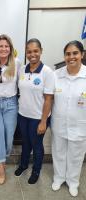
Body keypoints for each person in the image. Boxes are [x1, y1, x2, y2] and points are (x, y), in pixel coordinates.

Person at [15, 38, 54, 184]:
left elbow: (49, 99)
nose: (32, 54)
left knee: (36, 145)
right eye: (29, 51)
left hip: (38, 117)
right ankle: (23, 165)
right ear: (26, 53)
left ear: (41, 51)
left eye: (35, 51)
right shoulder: (21, 70)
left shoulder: (47, 72)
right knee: (25, 142)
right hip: (23, 115)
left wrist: (43, 121)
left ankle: (36, 170)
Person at [51, 41, 86, 197]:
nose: (71, 57)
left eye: (75, 53)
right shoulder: (56, 75)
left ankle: (73, 182)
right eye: (68, 54)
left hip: (80, 125)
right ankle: (58, 178)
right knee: (58, 152)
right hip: (59, 123)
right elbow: (49, 99)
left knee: (76, 156)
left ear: (82, 55)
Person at [0, 34, 19, 184]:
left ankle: (3, 156)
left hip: (11, 104)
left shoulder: (17, 63)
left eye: (6, 46)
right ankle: (0, 164)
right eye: (1, 46)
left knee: (9, 137)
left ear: (10, 48)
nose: (4, 48)